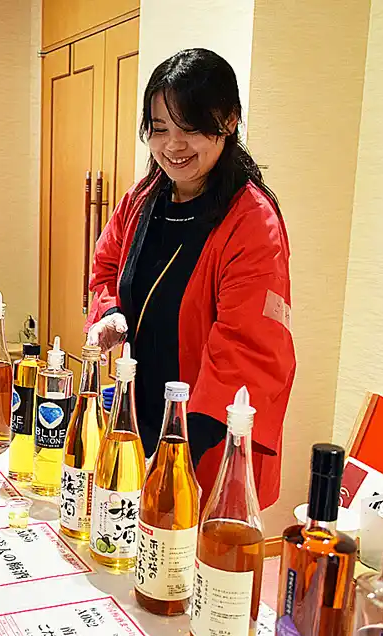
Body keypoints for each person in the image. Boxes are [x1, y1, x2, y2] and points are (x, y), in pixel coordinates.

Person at [85, 48, 295, 510]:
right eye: (160, 129)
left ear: (231, 121)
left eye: (192, 128)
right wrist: (112, 314)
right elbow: (104, 268)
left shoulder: (251, 221)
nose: (173, 145)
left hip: (203, 444)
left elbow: (247, 353)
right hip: (136, 421)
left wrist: (174, 458)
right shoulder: (144, 198)